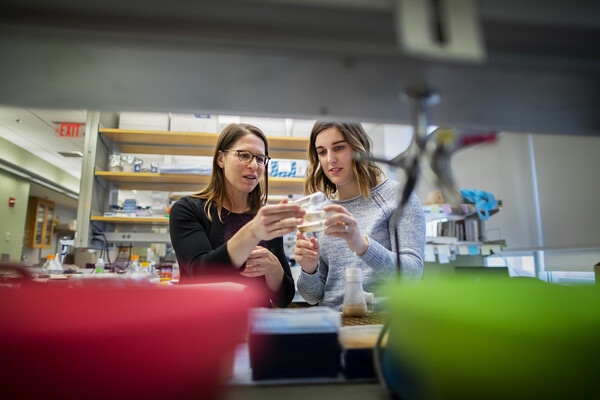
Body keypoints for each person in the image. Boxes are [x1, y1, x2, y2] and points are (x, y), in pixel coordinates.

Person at [169, 123, 304, 308]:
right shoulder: (187, 209)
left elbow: (284, 298)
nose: (253, 165)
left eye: (260, 158)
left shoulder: (263, 217)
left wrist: (274, 267)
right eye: (244, 155)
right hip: (206, 328)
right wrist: (252, 232)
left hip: (258, 328)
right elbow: (202, 275)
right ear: (221, 159)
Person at [294, 122, 425, 311]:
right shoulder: (321, 214)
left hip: (385, 326)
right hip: (334, 326)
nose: (330, 159)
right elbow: (312, 296)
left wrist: (363, 245)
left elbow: (412, 275)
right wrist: (309, 269)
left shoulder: (397, 197)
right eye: (322, 152)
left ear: (358, 147)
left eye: (339, 147)